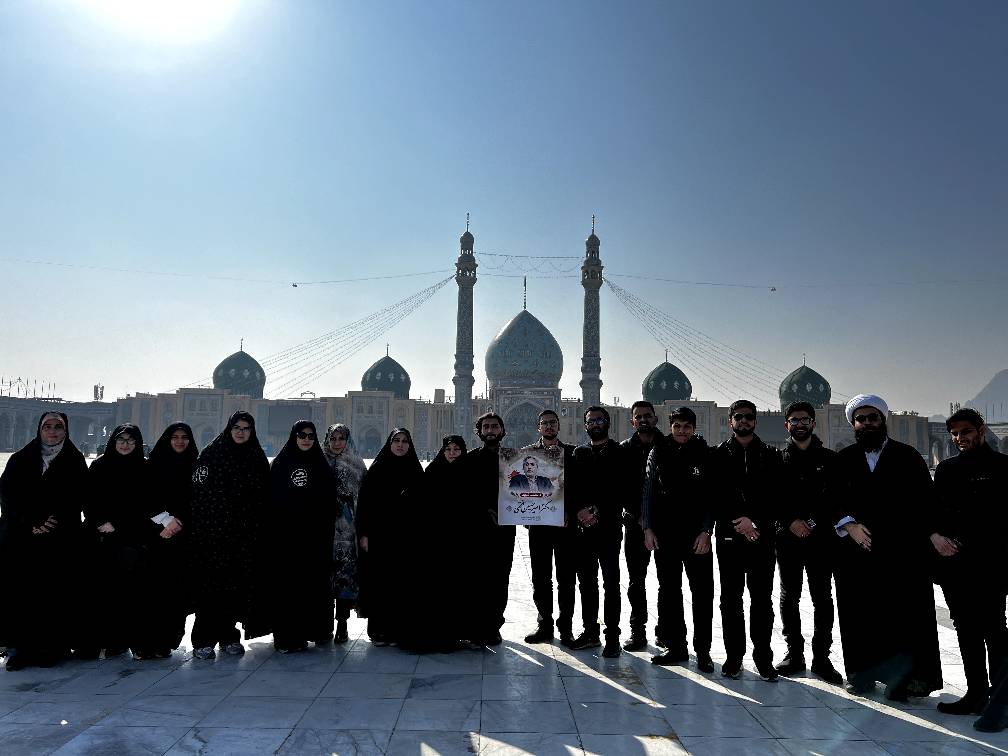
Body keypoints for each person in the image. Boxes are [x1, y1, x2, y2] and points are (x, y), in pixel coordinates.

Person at [833, 394, 942, 700]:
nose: (867, 423)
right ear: (854, 424)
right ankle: (860, 675)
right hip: (858, 552)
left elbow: (926, 502)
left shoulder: (907, 457)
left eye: (873, 418)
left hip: (901, 553)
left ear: (883, 420)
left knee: (903, 616)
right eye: (861, 419)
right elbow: (831, 499)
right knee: (859, 615)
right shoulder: (844, 459)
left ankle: (905, 679)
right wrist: (849, 525)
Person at [931, 408, 1008, 715]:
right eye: (955, 434)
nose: (960, 438)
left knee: (994, 628)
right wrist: (935, 536)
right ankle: (975, 693)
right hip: (956, 564)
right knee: (966, 627)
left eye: (966, 432)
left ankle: (1000, 699)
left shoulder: (1003, 467)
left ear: (981, 430)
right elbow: (934, 512)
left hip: (992, 563)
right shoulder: (947, 470)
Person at [0, 412, 88, 671]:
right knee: (22, 594)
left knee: (53, 594)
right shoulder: (20, 459)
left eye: (58, 427)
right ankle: (20, 649)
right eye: (47, 427)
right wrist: (31, 521)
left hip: (59, 539)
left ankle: (50, 648)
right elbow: (7, 495)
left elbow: (79, 497)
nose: (52, 431)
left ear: (65, 430)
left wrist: (51, 521)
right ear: (39, 430)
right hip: (22, 538)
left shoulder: (74, 460)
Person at [189, 411, 270, 660]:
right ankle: (203, 640)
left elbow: (264, 496)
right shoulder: (212, 454)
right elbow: (198, 491)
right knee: (211, 587)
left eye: (246, 428)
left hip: (243, 536)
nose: (241, 432)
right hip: (213, 535)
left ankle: (228, 636)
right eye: (237, 427)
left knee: (235, 589)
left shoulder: (255, 456)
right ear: (229, 428)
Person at [711, 400, 781, 681]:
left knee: (762, 600)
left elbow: (776, 496)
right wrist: (738, 521)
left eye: (748, 417)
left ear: (755, 421)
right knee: (730, 600)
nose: (743, 421)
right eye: (738, 417)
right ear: (730, 421)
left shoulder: (770, 456)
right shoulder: (718, 455)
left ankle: (763, 658)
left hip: (761, 538)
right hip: (730, 538)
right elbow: (714, 496)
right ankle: (734, 657)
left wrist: (755, 522)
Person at [774, 402, 844, 685]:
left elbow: (834, 499)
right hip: (788, 540)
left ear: (814, 423)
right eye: (794, 420)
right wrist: (790, 521)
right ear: (787, 425)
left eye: (805, 420)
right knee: (789, 596)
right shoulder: (777, 460)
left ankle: (822, 657)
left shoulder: (830, 460)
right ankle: (794, 653)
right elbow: (771, 497)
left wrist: (812, 523)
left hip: (820, 541)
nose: (800, 424)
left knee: (822, 598)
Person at [641, 406, 715, 672]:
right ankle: (676, 647)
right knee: (670, 592)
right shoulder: (659, 451)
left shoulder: (705, 453)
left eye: (687, 427)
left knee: (702, 594)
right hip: (666, 535)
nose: (682, 431)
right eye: (677, 426)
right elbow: (648, 491)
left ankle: (703, 651)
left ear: (694, 428)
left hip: (696, 537)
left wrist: (707, 531)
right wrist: (648, 528)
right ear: (670, 427)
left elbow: (711, 496)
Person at [267, 420, 340, 653]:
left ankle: (314, 630)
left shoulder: (320, 465)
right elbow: (271, 501)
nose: (306, 439)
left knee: (313, 586)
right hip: (287, 539)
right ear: (294, 437)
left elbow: (329, 502)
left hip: (315, 539)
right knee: (289, 588)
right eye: (302, 435)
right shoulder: (281, 464)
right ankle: (288, 637)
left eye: (310, 436)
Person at [81, 424, 150, 659]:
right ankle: (101, 640)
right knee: (101, 592)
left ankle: (125, 640)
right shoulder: (100, 465)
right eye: (121, 440)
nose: (125, 444)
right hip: (100, 536)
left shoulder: (144, 468)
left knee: (128, 593)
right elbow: (88, 499)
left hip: (130, 538)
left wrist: (118, 524)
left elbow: (145, 505)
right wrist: (100, 521)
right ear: (113, 441)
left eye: (131, 440)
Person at [398, 435, 469, 652]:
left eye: (456, 449)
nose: (452, 453)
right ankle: (427, 636)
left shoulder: (469, 473)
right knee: (432, 589)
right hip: (433, 542)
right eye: (448, 449)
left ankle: (449, 636)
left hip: (459, 541)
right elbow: (415, 498)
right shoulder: (433, 471)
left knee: (453, 590)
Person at [355, 428, 423, 645]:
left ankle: (398, 630)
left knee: (401, 583)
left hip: (406, 537)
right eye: (396, 441)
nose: (400, 445)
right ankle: (378, 630)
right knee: (379, 582)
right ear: (389, 443)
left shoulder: (415, 470)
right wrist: (364, 534)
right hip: (380, 536)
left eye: (404, 441)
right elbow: (365, 504)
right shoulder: (378, 469)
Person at [570, 406, 625, 658]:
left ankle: (612, 637)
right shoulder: (579, 453)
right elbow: (571, 487)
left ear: (608, 423)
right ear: (585, 425)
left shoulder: (619, 453)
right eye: (591, 421)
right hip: (584, 530)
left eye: (599, 420)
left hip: (609, 529)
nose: (595, 424)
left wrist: (597, 510)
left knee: (611, 583)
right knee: (587, 583)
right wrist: (579, 511)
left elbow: (621, 489)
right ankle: (591, 632)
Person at [458, 412, 516, 646]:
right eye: (486, 427)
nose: (490, 430)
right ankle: (475, 626)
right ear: (479, 432)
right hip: (477, 529)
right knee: (476, 577)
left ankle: (493, 626)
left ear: (503, 431)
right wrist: (486, 510)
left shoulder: (514, 459)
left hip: (504, 529)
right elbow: (463, 493)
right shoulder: (470, 459)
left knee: (500, 577)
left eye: (494, 426)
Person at [140, 422, 198, 658]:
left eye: (184, 437)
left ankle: (166, 640)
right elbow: (144, 497)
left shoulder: (196, 465)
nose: (180, 441)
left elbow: (200, 498)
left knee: (176, 591)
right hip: (156, 537)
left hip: (183, 538)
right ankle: (147, 641)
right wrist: (165, 520)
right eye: (175, 437)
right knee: (153, 591)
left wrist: (179, 523)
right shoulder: (152, 466)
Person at [523, 410, 577, 646]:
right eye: (544, 423)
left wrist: (570, 512)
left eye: (552, 423)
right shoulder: (526, 455)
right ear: (538, 427)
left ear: (558, 425)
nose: (548, 426)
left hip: (565, 526)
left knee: (566, 578)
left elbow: (579, 487)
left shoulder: (572, 453)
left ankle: (566, 628)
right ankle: (544, 624)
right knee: (541, 578)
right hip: (539, 527)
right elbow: (517, 490)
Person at [619, 400, 664, 652]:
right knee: (636, 581)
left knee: (667, 581)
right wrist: (641, 520)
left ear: (656, 418)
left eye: (648, 415)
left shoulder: (668, 446)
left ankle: (664, 631)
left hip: (665, 526)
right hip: (635, 525)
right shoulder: (625, 450)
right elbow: (621, 489)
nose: (644, 420)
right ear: (632, 421)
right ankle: (638, 631)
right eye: (639, 417)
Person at [323, 423, 366, 644]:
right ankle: (323, 626)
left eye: (341, 438)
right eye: (333, 438)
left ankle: (342, 624)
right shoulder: (319, 463)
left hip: (348, 532)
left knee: (344, 579)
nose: (337, 443)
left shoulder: (357, 465)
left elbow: (366, 499)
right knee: (323, 577)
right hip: (323, 530)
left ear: (348, 440)